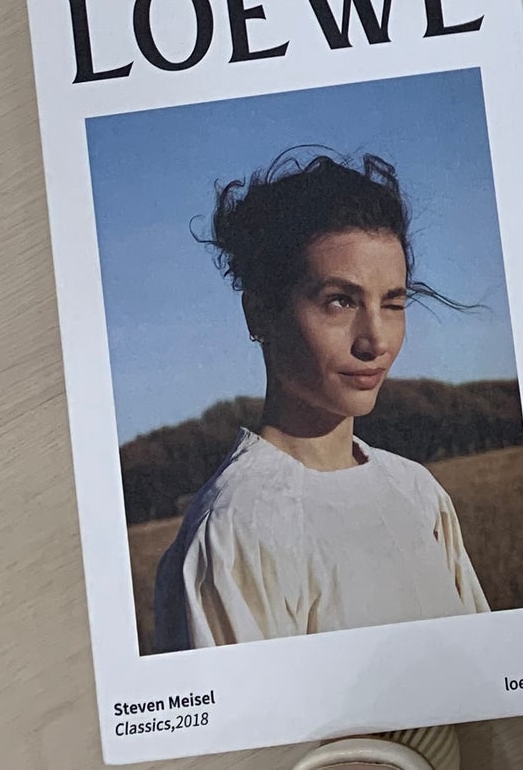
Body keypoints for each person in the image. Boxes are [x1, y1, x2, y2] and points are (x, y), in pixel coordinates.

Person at [152, 150, 489, 647]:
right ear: (260, 314)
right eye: (340, 301)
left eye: (393, 303)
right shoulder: (234, 530)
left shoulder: (418, 493)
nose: (375, 340)